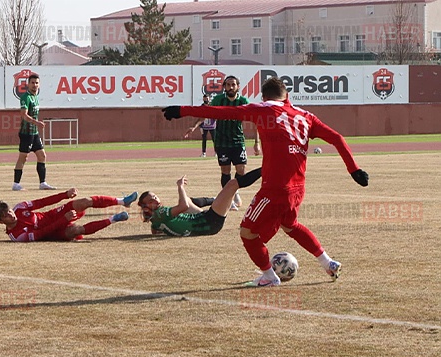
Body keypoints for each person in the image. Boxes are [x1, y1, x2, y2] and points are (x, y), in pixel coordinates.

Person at [162, 77, 369, 286]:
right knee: (290, 225)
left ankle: (270, 277)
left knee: (248, 233)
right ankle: (328, 263)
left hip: (275, 189)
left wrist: (181, 110)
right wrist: (354, 170)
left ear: (264, 97)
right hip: (298, 187)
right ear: (287, 96)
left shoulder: (263, 110)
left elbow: (221, 111)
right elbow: (337, 138)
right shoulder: (306, 116)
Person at [138, 169, 261, 237]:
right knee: (232, 184)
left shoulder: (155, 220)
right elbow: (183, 206)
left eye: (154, 196)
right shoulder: (160, 212)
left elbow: (155, 230)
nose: (155, 200)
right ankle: (264, 169)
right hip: (209, 222)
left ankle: (214, 200)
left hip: (201, 220)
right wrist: (180, 186)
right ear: (145, 207)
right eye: (150, 200)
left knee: (188, 200)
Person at [0, 190, 139, 242]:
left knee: (84, 201)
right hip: (53, 232)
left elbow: (43, 202)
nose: (11, 215)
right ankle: (114, 219)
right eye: (5, 216)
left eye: (9, 211)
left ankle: (123, 201)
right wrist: (64, 220)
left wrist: (65, 195)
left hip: (53, 216)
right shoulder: (17, 236)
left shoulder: (20, 208)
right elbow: (43, 233)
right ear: (0, 222)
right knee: (76, 231)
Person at [209, 75, 260, 210]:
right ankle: (229, 198)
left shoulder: (243, 101)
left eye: (233, 85)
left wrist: (257, 142)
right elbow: (206, 112)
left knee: (241, 171)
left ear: (238, 87)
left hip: (238, 140)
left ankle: (234, 189)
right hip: (222, 141)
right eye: (228, 85)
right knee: (225, 170)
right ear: (224, 87)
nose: (230, 87)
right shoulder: (218, 100)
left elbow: (255, 121)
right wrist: (195, 125)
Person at [12, 73, 55, 191]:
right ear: (28, 84)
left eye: (36, 83)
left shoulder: (35, 97)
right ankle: (16, 184)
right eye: (32, 83)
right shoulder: (26, 97)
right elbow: (24, 115)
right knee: (23, 158)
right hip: (26, 133)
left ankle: (43, 183)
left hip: (34, 133)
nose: (34, 85)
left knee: (42, 155)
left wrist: (36, 126)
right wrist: (37, 123)